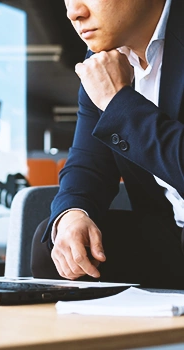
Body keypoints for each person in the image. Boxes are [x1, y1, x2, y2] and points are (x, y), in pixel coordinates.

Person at [31, 0, 184, 289]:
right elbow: (88, 162)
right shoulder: (101, 59)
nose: (73, 12)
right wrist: (73, 213)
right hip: (171, 235)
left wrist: (118, 102)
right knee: (64, 249)